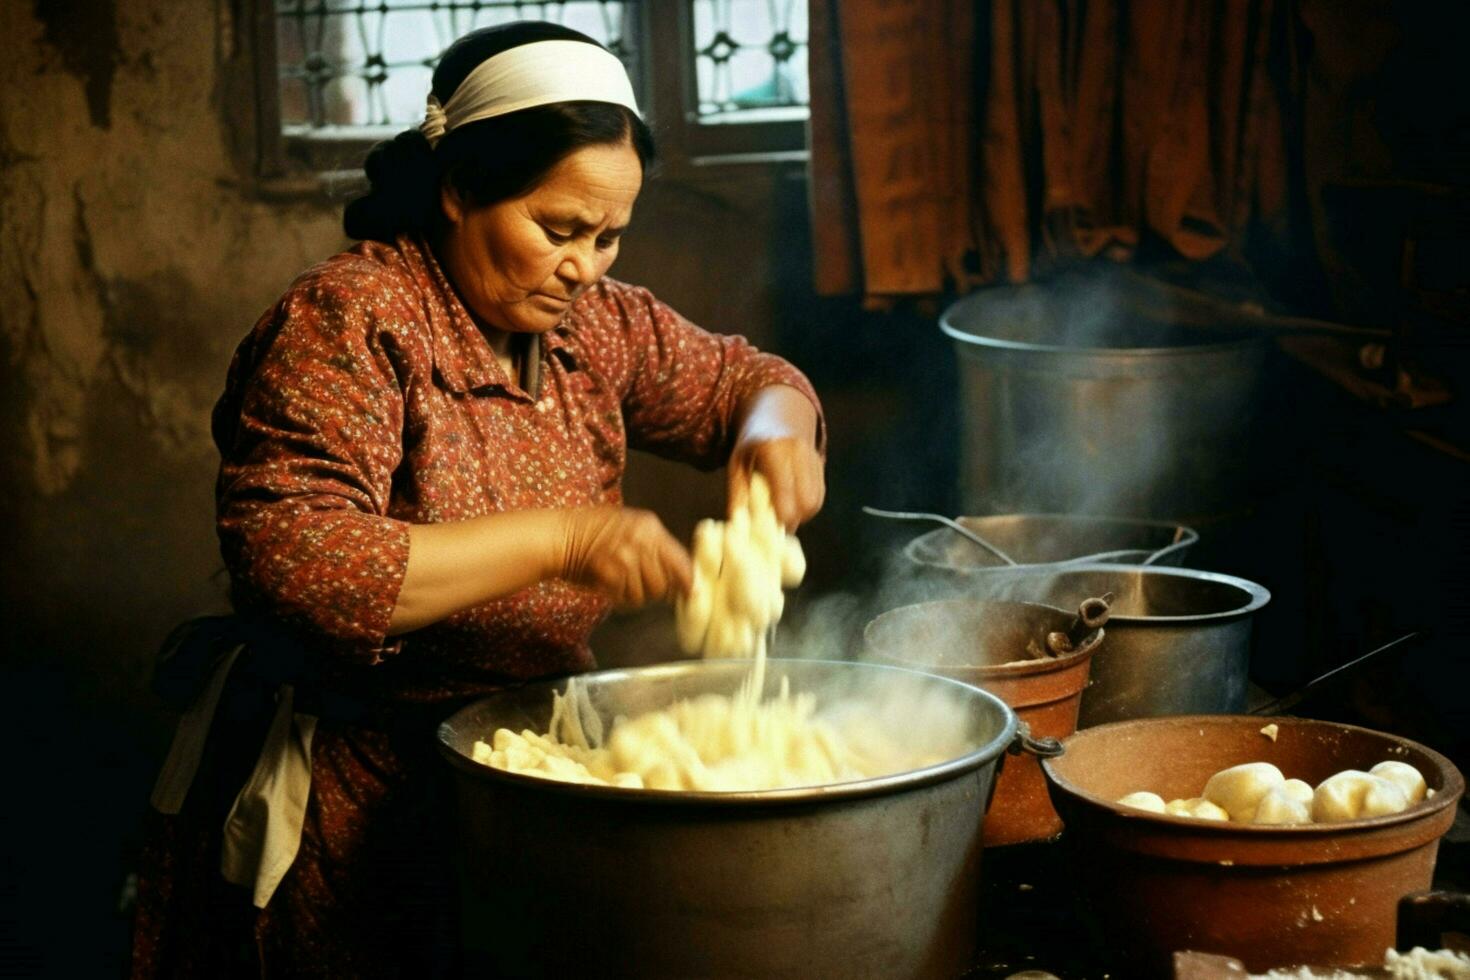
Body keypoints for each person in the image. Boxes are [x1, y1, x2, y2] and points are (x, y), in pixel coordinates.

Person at [130, 21, 824, 978]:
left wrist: (775, 434)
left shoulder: (597, 326)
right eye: (557, 228)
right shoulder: (357, 321)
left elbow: (749, 381)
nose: (586, 266)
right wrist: (566, 539)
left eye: (611, 234)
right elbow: (297, 561)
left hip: (526, 775)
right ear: (458, 189)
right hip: (361, 792)